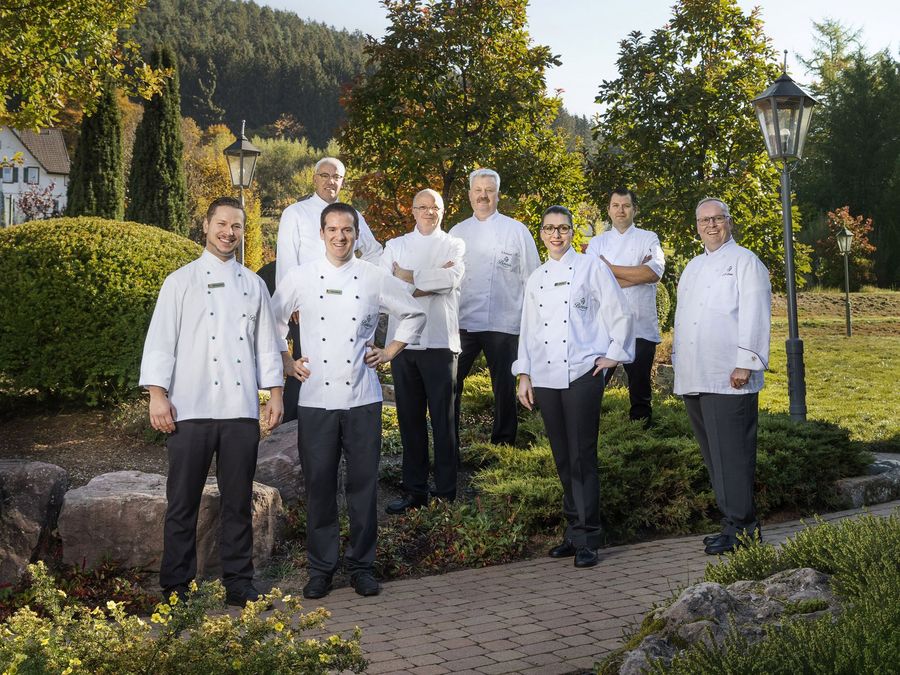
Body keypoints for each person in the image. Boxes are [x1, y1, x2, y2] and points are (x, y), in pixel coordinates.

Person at [272, 202, 425, 599]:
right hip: (315, 398)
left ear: (357, 235)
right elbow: (272, 319)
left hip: (362, 398)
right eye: (333, 229)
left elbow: (413, 312)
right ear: (322, 233)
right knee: (319, 486)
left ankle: (362, 566)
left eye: (347, 230)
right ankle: (321, 569)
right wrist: (287, 360)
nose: (340, 236)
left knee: (362, 485)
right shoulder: (301, 276)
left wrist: (389, 352)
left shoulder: (374, 277)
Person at [140, 196, 285, 607]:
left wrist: (275, 395)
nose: (228, 232)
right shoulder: (180, 281)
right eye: (221, 224)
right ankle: (177, 587)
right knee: (182, 503)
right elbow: (160, 341)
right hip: (190, 408)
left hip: (239, 410)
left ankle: (239, 583)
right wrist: (157, 396)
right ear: (205, 226)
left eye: (236, 226)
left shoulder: (254, 284)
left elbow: (267, 345)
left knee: (237, 503)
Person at [514, 206, 634, 568]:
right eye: (550, 229)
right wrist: (524, 374)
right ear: (542, 233)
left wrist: (613, 355)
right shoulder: (536, 278)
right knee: (562, 456)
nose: (556, 235)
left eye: (563, 228)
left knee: (582, 456)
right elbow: (528, 329)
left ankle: (588, 537)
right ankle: (572, 531)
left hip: (583, 372)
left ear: (571, 232)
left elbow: (620, 312)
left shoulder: (590, 267)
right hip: (546, 376)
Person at [673, 198, 771, 555]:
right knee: (715, 457)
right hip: (696, 374)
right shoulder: (693, 266)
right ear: (697, 226)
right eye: (704, 220)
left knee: (733, 456)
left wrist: (745, 363)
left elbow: (756, 313)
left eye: (717, 219)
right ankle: (731, 525)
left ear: (729, 222)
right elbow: (683, 319)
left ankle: (744, 530)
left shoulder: (746, 262)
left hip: (730, 376)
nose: (711, 225)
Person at [275, 157, 383, 422]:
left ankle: (341, 422)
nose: (330, 181)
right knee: (305, 364)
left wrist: (363, 283)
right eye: (325, 175)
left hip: (347, 302)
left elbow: (374, 252)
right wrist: (292, 301)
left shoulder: (353, 215)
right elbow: (286, 258)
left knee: (345, 362)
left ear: (342, 181)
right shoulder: (295, 212)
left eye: (336, 177)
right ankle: (292, 429)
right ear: (314, 178)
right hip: (307, 302)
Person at [380, 189, 466, 513]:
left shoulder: (454, 244)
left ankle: (445, 493)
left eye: (435, 207)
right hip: (402, 346)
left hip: (441, 342)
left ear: (443, 211)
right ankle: (414, 492)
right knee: (409, 421)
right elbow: (384, 289)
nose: (429, 212)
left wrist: (406, 276)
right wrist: (429, 281)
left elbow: (451, 279)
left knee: (444, 422)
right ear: (413, 210)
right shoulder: (395, 245)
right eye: (423, 207)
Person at [450, 168, 540, 447]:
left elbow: (533, 279)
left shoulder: (517, 231)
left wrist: (532, 323)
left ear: (498, 195)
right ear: (469, 195)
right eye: (478, 190)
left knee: (503, 388)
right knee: (450, 384)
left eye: (489, 191)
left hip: (504, 322)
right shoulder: (457, 233)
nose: (483, 196)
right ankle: (449, 443)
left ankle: (502, 445)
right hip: (463, 322)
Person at [586, 188, 665, 425]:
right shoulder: (597, 242)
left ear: (634, 210)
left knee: (640, 391)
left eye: (626, 205)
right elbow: (592, 282)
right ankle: (587, 427)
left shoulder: (648, 238)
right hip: (605, 327)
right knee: (593, 383)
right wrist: (636, 274)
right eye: (616, 205)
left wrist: (608, 269)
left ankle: (641, 430)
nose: (621, 210)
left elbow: (653, 273)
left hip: (640, 325)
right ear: (609, 210)